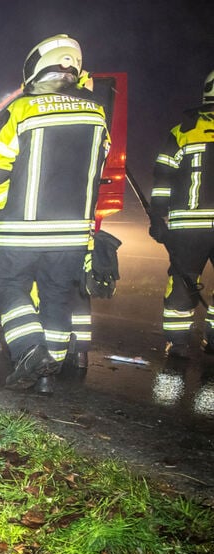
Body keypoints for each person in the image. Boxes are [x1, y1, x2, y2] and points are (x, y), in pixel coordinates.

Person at [0, 35, 110, 394]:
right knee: (56, 295)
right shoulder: (97, 113)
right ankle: (45, 378)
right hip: (71, 232)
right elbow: (99, 165)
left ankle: (28, 351)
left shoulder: (22, 109)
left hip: (22, 227)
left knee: (9, 286)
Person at [148, 70, 214, 358]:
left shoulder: (183, 131)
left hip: (188, 226)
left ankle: (178, 344)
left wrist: (157, 216)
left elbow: (163, 176)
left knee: (182, 281)